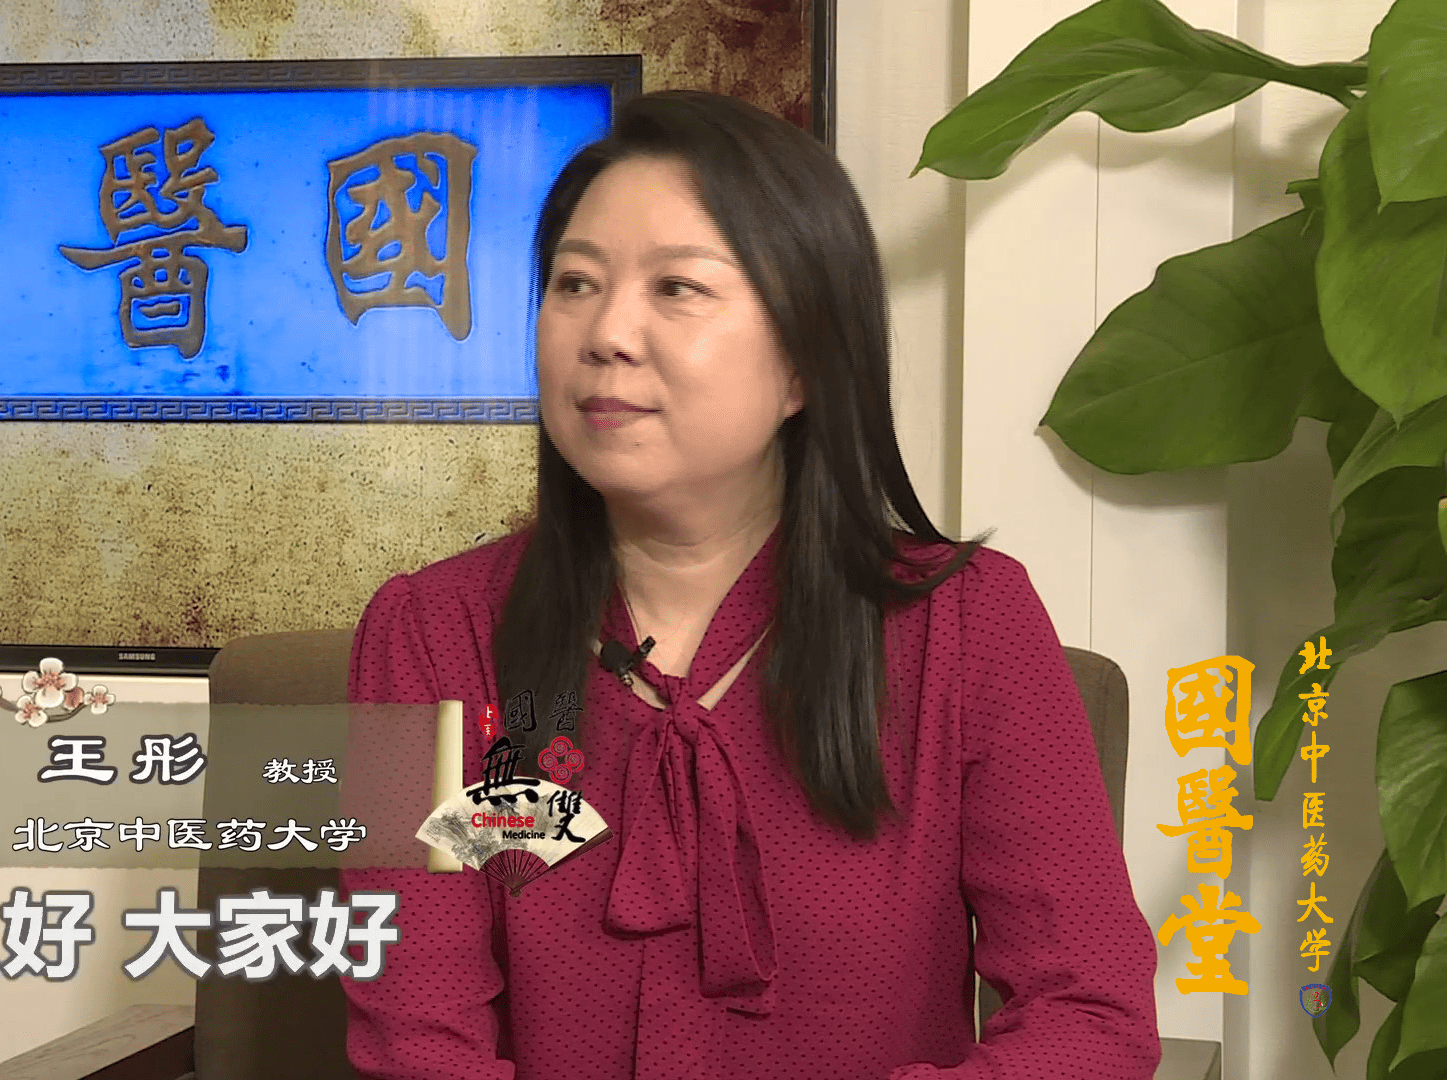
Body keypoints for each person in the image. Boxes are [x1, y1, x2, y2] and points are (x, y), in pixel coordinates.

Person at [340, 90, 1159, 1080]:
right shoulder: (426, 636)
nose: (606, 332)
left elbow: (1090, 1012)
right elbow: (415, 1035)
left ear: (805, 362)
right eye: (574, 283)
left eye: (677, 287)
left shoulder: (969, 626)